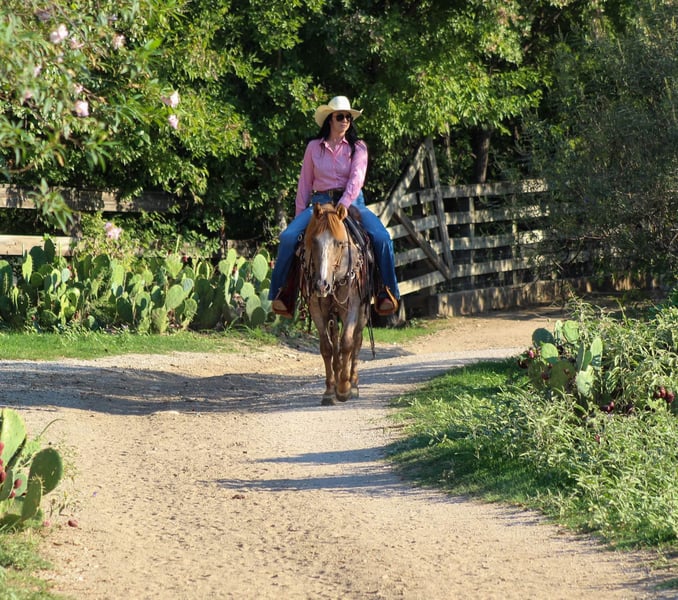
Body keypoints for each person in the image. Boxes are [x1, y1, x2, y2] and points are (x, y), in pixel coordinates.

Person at [269, 95, 400, 318]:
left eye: (348, 117)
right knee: (289, 237)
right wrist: (300, 218)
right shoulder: (313, 147)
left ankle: (386, 292)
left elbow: (356, 179)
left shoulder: (358, 147)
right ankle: (284, 293)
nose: (345, 120)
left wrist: (344, 204)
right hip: (320, 203)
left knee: (382, 238)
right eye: (340, 116)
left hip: (352, 203)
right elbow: (304, 184)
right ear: (330, 119)